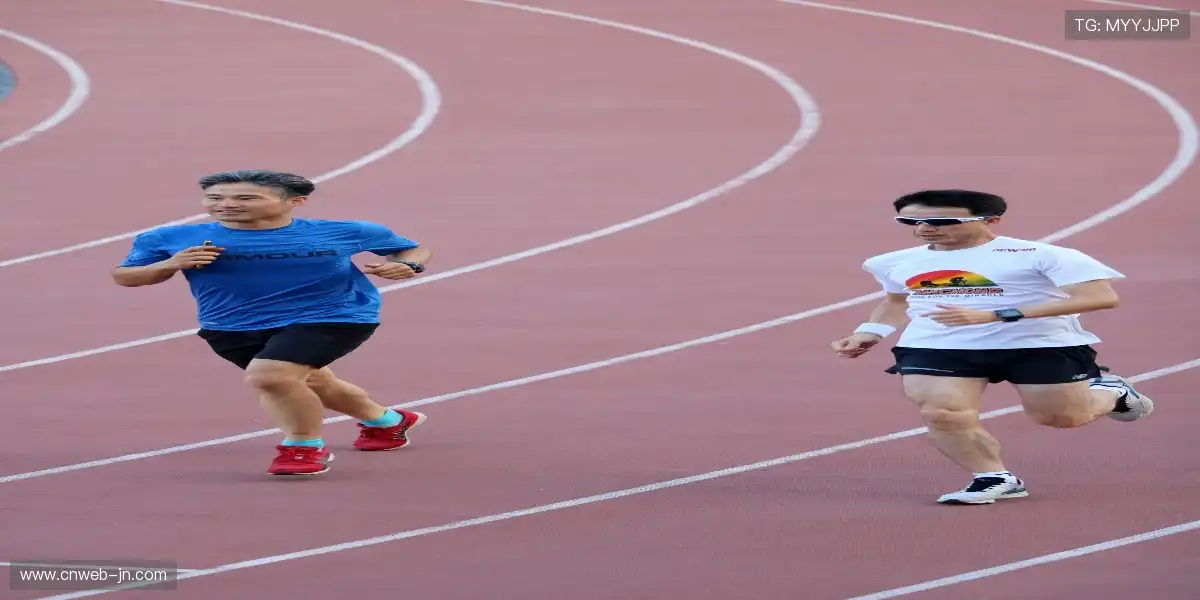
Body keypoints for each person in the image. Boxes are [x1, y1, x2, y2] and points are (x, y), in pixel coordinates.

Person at [830, 189, 1153, 505]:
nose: (924, 228)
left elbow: (1100, 297)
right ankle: (994, 477)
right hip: (937, 344)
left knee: (1062, 417)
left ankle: (1112, 393)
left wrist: (999, 314)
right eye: (910, 222)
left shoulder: (1041, 255)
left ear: (990, 220)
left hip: (1037, 345)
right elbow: (898, 300)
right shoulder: (890, 262)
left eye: (941, 221)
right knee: (941, 412)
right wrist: (870, 331)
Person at [112, 169, 432, 477]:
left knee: (270, 376)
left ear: (295, 201)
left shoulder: (345, 231)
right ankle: (387, 422)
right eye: (215, 197)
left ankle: (303, 447)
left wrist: (408, 265)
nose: (226, 204)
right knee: (311, 383)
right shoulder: (170, 237)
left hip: (335, 315)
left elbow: (411, 249)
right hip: (230, 325)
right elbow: (125, 276)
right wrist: (172, 263)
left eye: (245, 198)